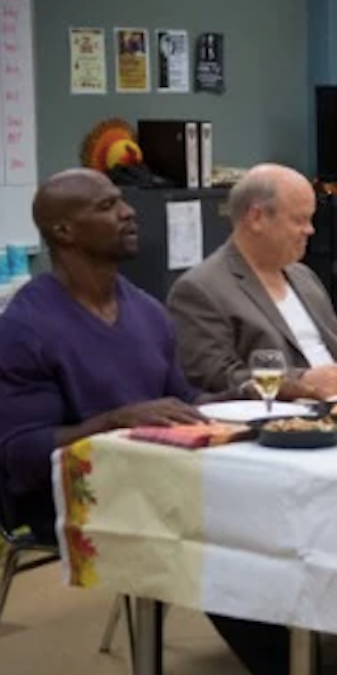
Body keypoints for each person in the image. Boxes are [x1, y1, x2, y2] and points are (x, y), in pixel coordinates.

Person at [0, 169, 209, 544]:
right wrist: (115, 421)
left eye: (122, 200)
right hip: (74, 503)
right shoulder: (24, 328)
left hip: (160, 478)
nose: (128, 212)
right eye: (107, 206)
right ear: (64, 231)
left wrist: (253, 398)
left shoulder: (148, 311)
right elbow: (22, 454)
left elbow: (184, 403)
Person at [167, 164, 337, 399]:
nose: (310, 230)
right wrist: (301, 381)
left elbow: (336, 342)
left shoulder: (303, 276)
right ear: (256, 218)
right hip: (284, 416)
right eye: (299, 220)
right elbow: (217, 377)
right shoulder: (201, 289)